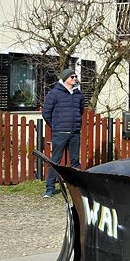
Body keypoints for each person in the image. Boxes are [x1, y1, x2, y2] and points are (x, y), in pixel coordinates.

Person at [41, 67, 85, 198]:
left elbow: (80, 110)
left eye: (75, 76)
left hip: (75, 133)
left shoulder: (78, 94)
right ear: (66, 78)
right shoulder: (54, 93)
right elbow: (46, 113)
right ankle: (49, 189)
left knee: (75, 162)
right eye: (72, 77)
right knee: (55, 161)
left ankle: (76, 187)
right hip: (60, 133)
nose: (75, 79)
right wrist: (55, 126)